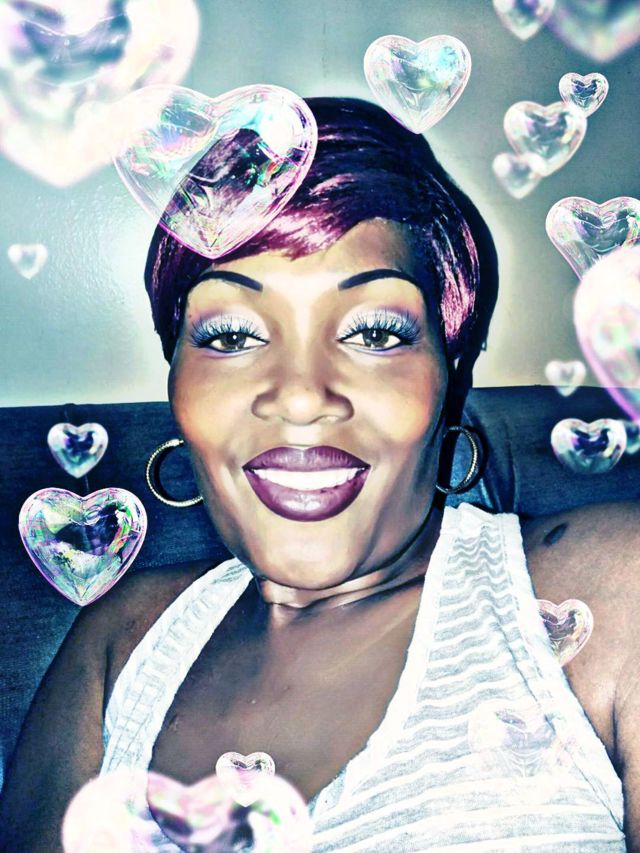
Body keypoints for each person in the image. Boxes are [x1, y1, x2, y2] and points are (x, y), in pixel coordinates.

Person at [0, 97, 637, 852]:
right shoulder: (120, 639)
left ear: (447, 374)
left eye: (374, 332)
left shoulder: (606, 588)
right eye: (231, 336)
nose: (302, 396)